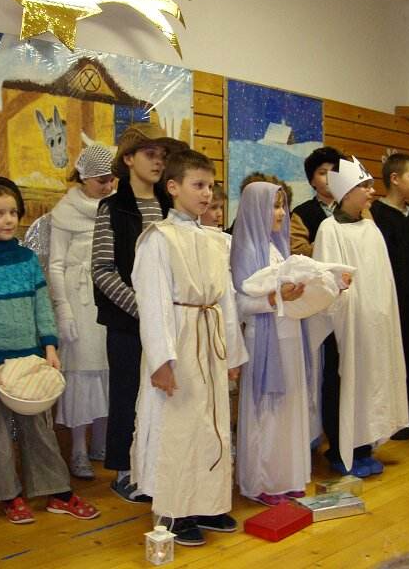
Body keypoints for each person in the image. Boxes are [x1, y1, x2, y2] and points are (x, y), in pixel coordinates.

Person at [0, 176, 100, 525]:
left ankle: (58, 492)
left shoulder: (27, 259)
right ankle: (9, 496)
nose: (8, 219)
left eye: (13, 212)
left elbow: (42, 304)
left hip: (31, 360)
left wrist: (49, 346)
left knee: (40, 429)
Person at [131, 149, 248, 545]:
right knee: (178, 426)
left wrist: (232, 354)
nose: (206, 194)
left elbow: (226, 300)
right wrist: (161, 361)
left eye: (210, 186)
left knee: (210, 423)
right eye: (198, 185)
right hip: (179, 342)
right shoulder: (158, 239)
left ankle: (207, 503)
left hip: (209, 341)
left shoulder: (216, 240)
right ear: (173, 187)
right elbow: (153, 303)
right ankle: (174, 509)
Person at [91, 122, 187, 502]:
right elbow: (102, 269)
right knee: (127, 393)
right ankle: (124, 471)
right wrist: (143, 308)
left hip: (170, 320)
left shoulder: (170, 206)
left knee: (165, 394)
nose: (158, 161)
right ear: (128, 159)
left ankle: (158, 466)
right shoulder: (113, 208)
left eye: (162, 155)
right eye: (150, 154)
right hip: (128, 323)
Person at [308, 156, 409, 478]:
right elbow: (329, 280)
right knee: (342, 381)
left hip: (373, 324)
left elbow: (383, 278)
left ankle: (363, 444)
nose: (371, 191)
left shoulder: (371, 228)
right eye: (364, 186)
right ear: (347, 191)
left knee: (369, 381)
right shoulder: (330, 229)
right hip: (345, 325)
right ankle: (341, 447)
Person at [231, 181, 312, 506]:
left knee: (289, 407)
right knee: (266, 412)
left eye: (282, 206)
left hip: (290, 337)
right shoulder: (246, 250)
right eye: (273, 206)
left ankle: (286, 476)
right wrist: (276, 297)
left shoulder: (279, 248)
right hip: (264, 341)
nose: (280, 213)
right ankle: (261, 480)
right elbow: (241, 303)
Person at [47, 144, 115, 479]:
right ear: (85, 178)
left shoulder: (114, 208)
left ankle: (101, 443)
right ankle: (77, 449)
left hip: (109, 298)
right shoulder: (65, 211)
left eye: (112, 179)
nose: (108, 185)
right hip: (79, 300)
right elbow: (55, 265)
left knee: (107, 369)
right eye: (102, 180)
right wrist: (64, 311)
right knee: (82, 373)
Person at [370, 153, 409, 440]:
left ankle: (406, 416)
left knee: (408, 360)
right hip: (389, 301)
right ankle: (386, 421)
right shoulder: (377, 215)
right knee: (387, 363)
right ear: (395, 179)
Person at [290, 146, 341, 256]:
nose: (330, 178)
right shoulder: (301, 213)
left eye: (334, 173)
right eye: (323, 173)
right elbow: (297, 250)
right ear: (312, 181)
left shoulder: (355, 207)